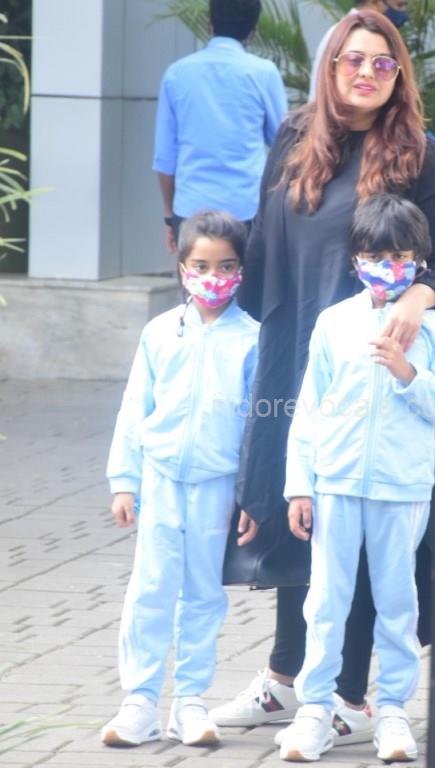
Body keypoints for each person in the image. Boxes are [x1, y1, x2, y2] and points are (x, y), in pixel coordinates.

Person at [209, 9, 435, 749]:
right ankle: (288, 678)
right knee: (300, 507)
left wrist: (418, 297)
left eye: (383, 62)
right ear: (331, 65)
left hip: (377, 363)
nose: (368, 72)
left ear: (398, 74)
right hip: (296, 346)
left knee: (363, 522)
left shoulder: (419, 155)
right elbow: (261, 240)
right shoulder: (295, 137)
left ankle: (349, 695)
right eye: (354, 60)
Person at [278, 193, 435, 763]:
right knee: (326, 599)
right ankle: (314, 710)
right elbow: (309, 405)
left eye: (399, 257)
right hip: (335, 482)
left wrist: (407, 373)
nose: (387, 268)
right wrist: (299, 485)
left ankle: (392, 711)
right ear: (355, 260)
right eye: (375, 257)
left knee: (398, 601)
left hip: (403, 486)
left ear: (420, 261)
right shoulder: (334, 322)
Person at [101, 211, 259, 748]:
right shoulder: (159, 333)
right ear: (182, 266)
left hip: (218, 487)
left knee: (203, 592)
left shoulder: (253, 339)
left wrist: (252, 495)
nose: (213, 276)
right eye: (202, 265)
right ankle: (139, 701)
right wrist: (125, 480)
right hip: (161, 480)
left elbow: (257, 427)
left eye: (226, 266)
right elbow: (134, 407)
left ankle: (190, 701)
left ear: (242, 269)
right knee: (151, 588)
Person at [153, 0, 287, 251]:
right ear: (253, 31)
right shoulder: (264, 73)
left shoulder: (176, 73)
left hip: (191, 209)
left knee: (197, 277)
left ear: (209, 24)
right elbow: (282, 141)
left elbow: (165, 158)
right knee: (246, 278)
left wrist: (169, 215)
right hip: (247, 210)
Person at [308, 0, 410, 102]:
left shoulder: (379, 35)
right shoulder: (346, 35)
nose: (367, 72)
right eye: (354, 61)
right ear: (375, 2)